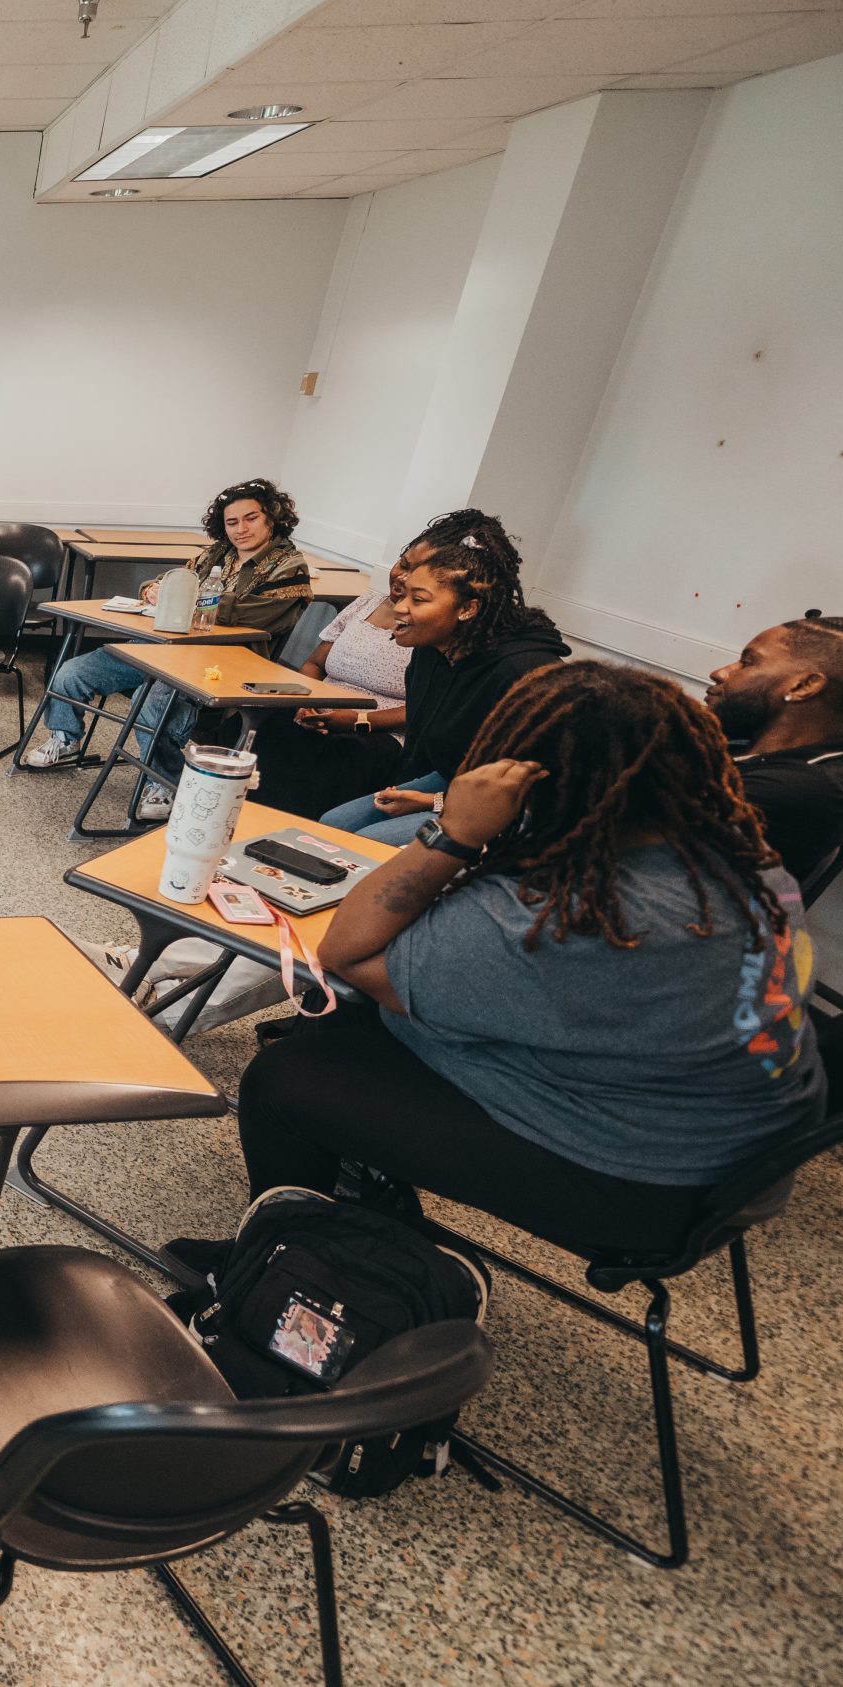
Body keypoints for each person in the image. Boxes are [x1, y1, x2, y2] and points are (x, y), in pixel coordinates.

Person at [236, 661, 824, 1258]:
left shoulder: (561, 918)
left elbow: (347, 952)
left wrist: (454, 834)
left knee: (285, 1079)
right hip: (734, 1149)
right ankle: (359, 1196)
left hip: (644, 1185)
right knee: (356, 1016)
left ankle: (284, 1261)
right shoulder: (743, 859)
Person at [22, 479, 312, 817]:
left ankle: (163, 781)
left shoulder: (290, 566)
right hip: (169, 646)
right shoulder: (216, 553)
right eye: (232, 522)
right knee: (71, 673)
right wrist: (154, 591)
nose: (241, 529)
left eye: (251, 518)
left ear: (272, 518)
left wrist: (186, 598)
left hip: (224, 663)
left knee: (155, 704)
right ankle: (66, 739)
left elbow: (253, 615)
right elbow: (168, 581)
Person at [318, 509, 568, 845]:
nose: (401, 607)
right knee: (331, 825)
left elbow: (537, 787)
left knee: (370, 842)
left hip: (525, 807)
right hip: (455, 780)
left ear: (468, 609)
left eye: (418, 600)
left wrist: (434, 803)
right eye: (405, 594)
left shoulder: (524, 673)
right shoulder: (431, 649)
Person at [243, 576, 414, 816]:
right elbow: (313, 664)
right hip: (320, 709)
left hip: (379, 728)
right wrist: (306, 704)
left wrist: (357, 721)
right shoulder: (365, 604)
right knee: (269, 727)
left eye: (414, 570)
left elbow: (423, 710)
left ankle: (294, 833)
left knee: (344, 754)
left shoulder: (432, 630)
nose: (402, 575)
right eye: (403, 564)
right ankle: (244, 815)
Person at [706, 613, 843, 883]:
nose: (720, 673)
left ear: (804, 686)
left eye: (747, 663)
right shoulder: (746, 735)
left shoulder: (804, 788)